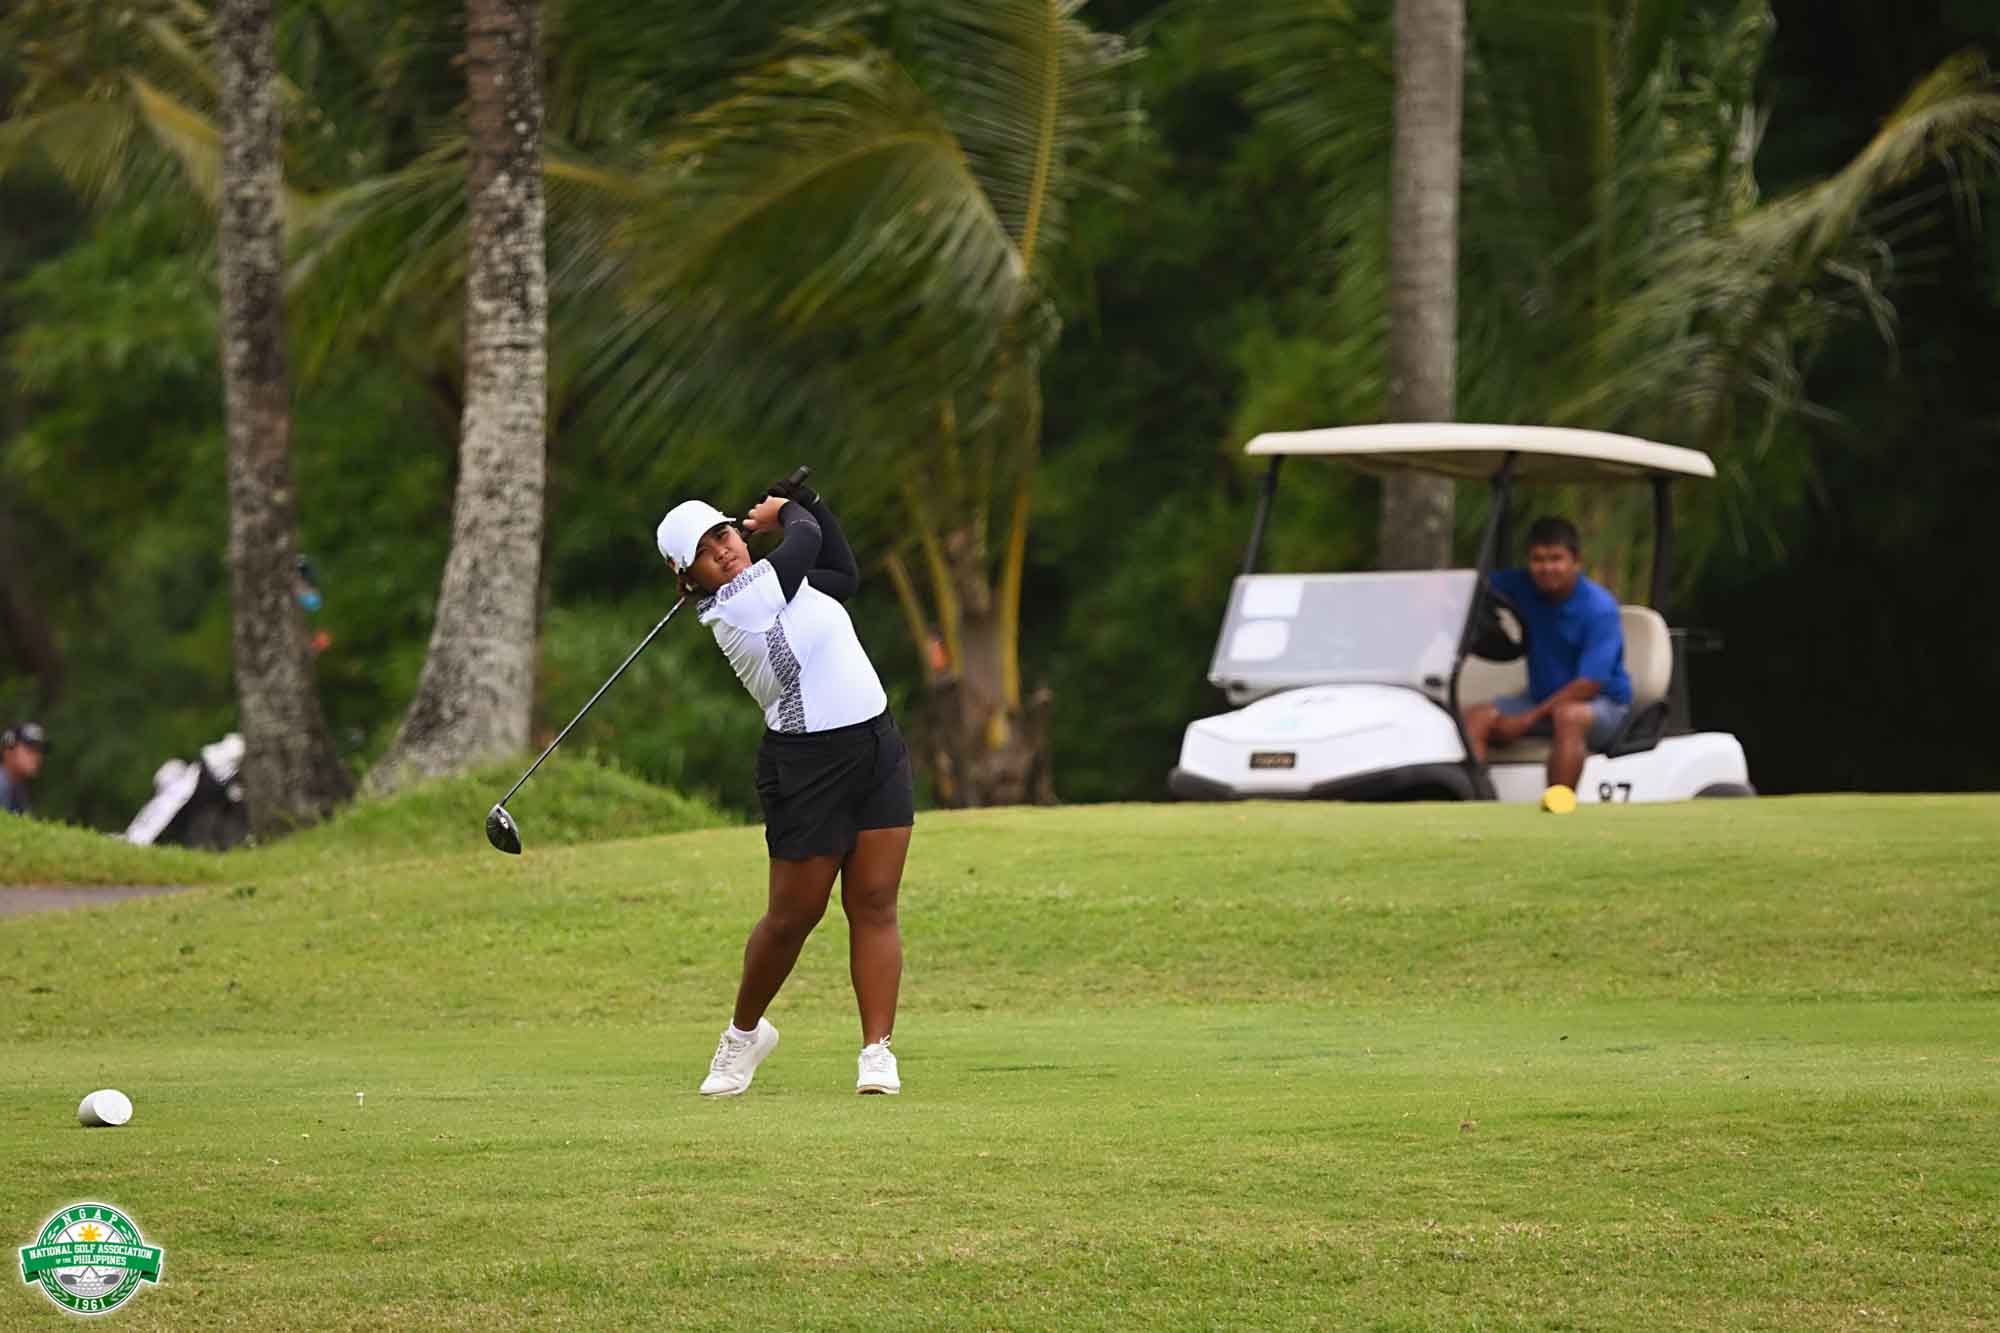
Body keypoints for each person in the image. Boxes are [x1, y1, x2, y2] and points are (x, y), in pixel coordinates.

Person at [655, 476, 914, 1098]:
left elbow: (843, 574)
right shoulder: (736, 605)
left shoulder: (785, 584)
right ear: (687, 576)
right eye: (703, 552)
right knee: (793, 917)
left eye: (722, 534)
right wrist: (792, 510)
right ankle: (744, 1034)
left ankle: (876, 1050)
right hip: (806, 767)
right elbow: (804, 540)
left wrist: (812, 505)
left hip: (877, 747)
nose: (722, 551)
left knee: (874, 901)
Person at [1461, 517, 1632, 791]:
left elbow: (1588, 684)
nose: (1546, 568)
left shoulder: (1599, 609)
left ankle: (1558, 802)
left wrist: (1526, 720)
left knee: (1569, 716)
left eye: (1556, 559)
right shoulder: (1523, 584)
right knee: (1476, 717)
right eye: (1538, 559)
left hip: (1602, 705)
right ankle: (1477, 802)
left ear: (1576, 562)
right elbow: (1474, 586)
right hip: (1541, 699)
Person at [0, 721, 50, 815]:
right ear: (8, 751)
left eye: (39, 751)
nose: (37, 756)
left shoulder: (17, 787)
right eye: (30, 749)